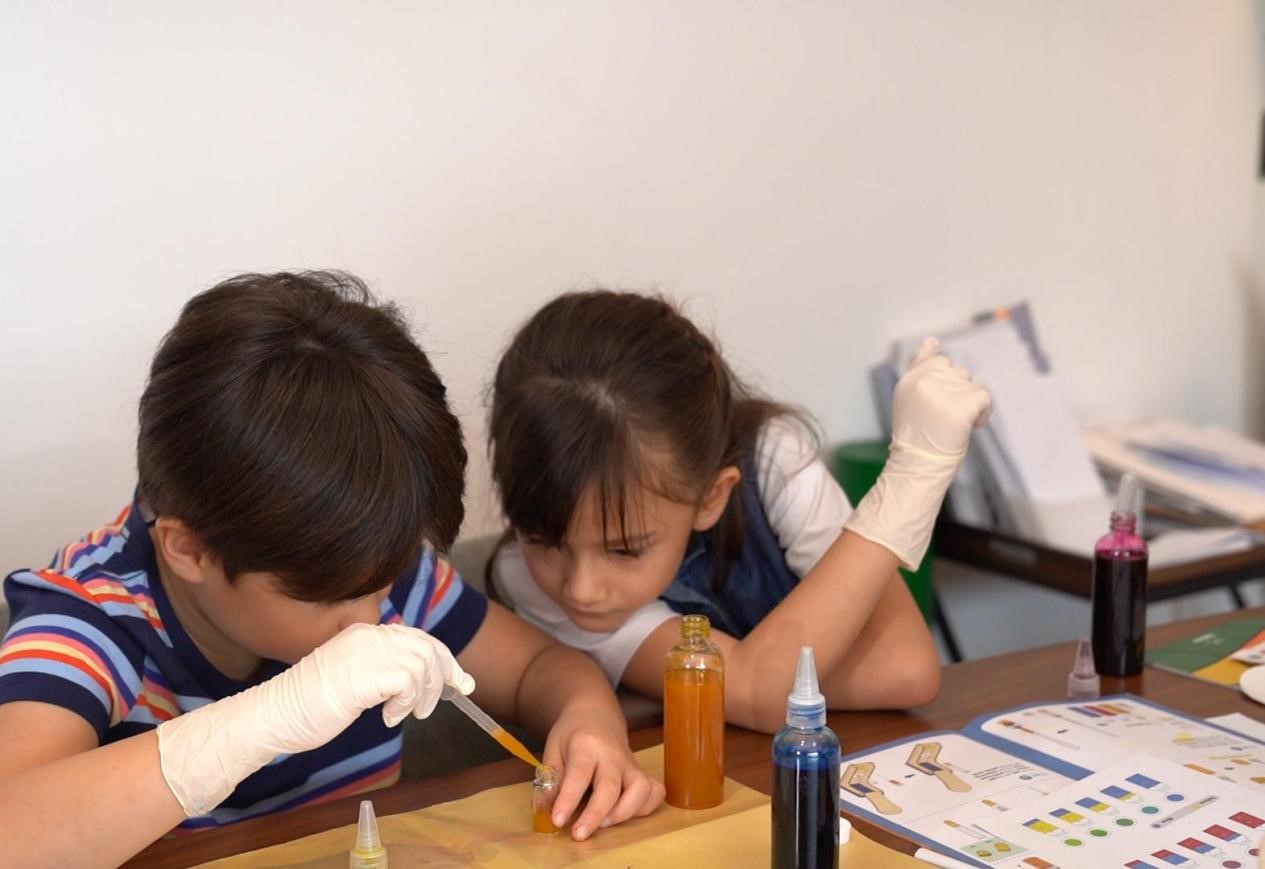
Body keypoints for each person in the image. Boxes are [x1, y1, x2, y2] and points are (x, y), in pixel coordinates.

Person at [0, 272, 663, 867]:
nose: (372, 617)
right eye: (333, 597)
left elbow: (539, 669)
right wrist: (274, 714)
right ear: (191, 549)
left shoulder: (370, 557)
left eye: (383, 584)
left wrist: (588, 722)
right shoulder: (92, 618)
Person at [488, 290, 991, 733]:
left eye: (624, 549)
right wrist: (911, 480)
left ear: (711, 496)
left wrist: (741, 681)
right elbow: (762, 695)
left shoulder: (773, 459)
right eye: (544, 540)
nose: (581, 588)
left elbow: (905, 669)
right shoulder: (527, 576)